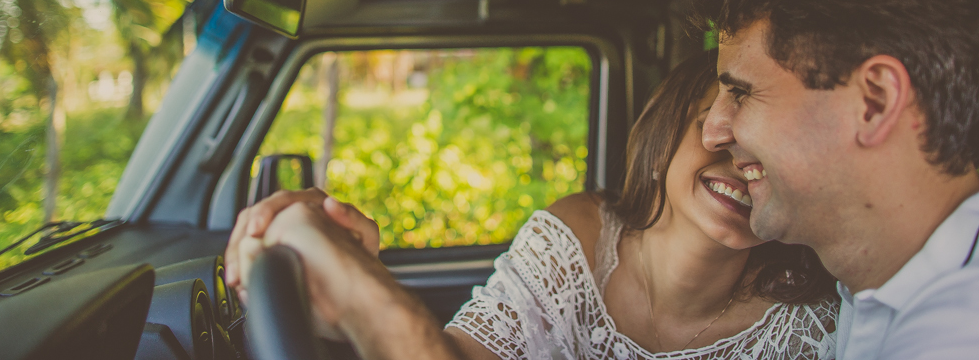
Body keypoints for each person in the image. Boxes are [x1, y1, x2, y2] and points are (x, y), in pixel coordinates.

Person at [226, 51, 838, 359]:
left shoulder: (811, 325)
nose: (743, 164)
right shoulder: (576, 239)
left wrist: (372, 302)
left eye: (770, 148)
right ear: (664, 136)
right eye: (721, 130)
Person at [693, 0, 979, 360]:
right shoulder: (866, 290)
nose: (712, 133)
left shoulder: (958, 333)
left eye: (741, 93)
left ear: (874, 102)